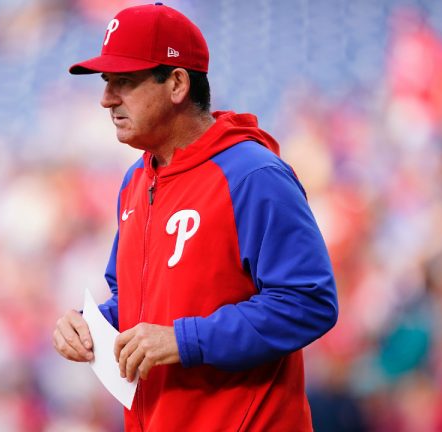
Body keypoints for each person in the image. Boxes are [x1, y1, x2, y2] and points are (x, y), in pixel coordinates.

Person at [53, 3, 338, 431]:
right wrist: (92, 325)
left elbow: (309, 301)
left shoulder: (252, 175)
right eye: (107, 81)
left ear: (177, 84)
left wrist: (185, 340)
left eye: (124, 81)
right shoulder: (136, 180)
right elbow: (137, 301)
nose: (106, 99)